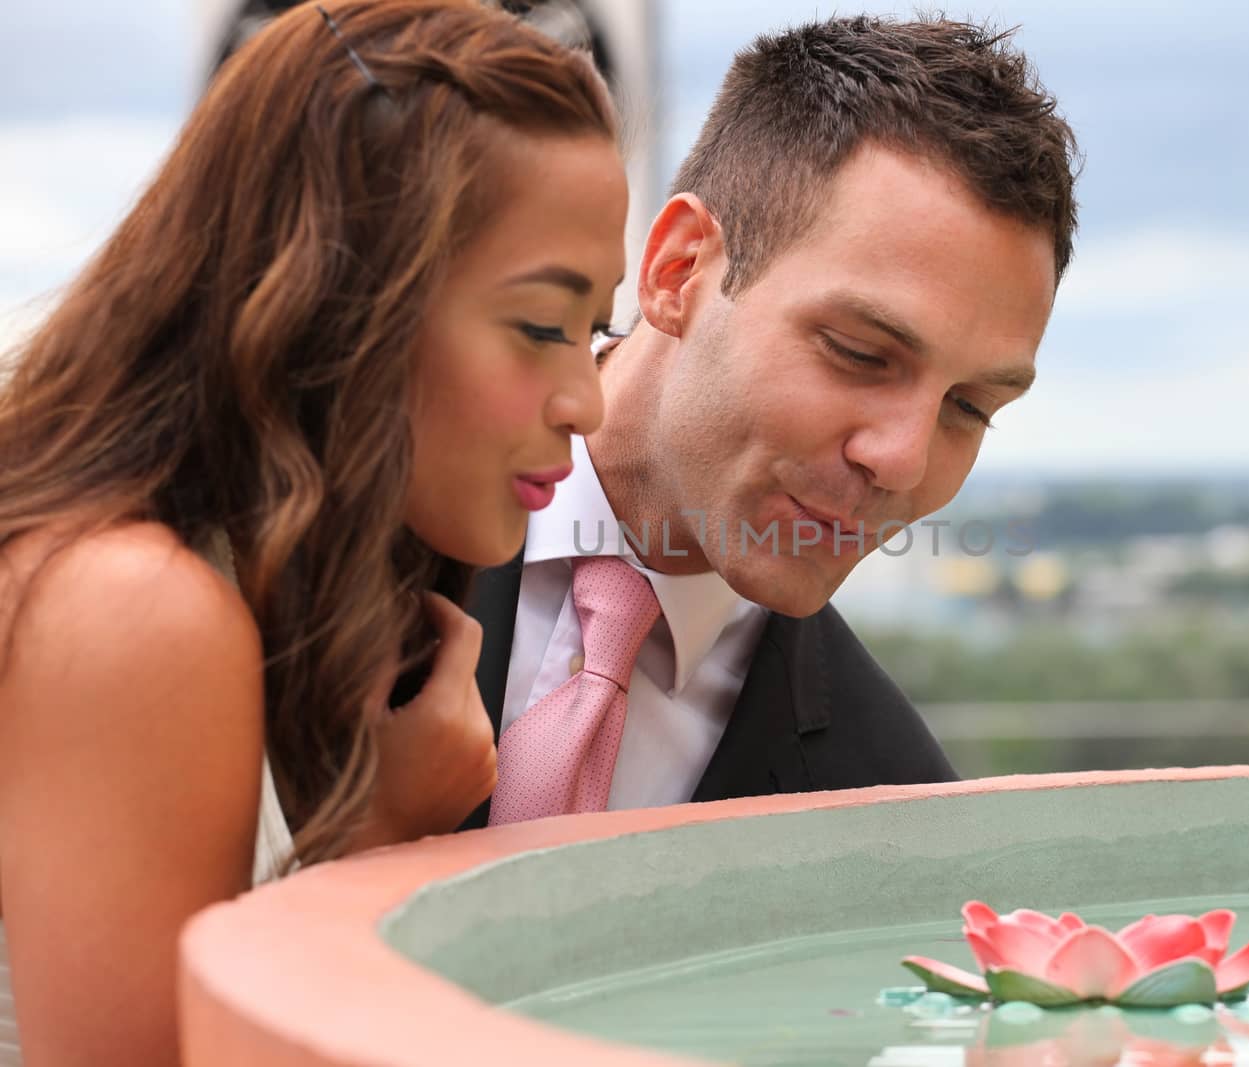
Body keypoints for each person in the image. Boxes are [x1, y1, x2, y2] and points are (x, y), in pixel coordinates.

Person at [0, 2, 624, 1063]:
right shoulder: (134, 607)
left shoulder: (271, 587)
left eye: (596, 329)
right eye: (538, 326)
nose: (586, 400)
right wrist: (374, 845)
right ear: (342, 301)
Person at [468, 14, 1080, 828]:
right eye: (859, 352)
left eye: (968, 407)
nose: (901, 460)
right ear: (677, 269)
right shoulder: (337, 509)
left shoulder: (892, 803)